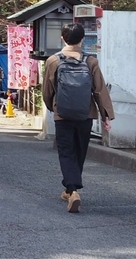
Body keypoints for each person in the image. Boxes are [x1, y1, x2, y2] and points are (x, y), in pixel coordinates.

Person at [41, 23, 115, 213]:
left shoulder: (53, 61)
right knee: (80, 151)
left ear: (63, 39)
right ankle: (70, 188)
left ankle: (72, 190)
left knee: (66, 152)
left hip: (62, 114)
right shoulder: (90, 61)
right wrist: (106, 116)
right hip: (85, 114)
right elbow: (100, 90)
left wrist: (53, 107)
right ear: (82, 39)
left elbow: (47, 92)